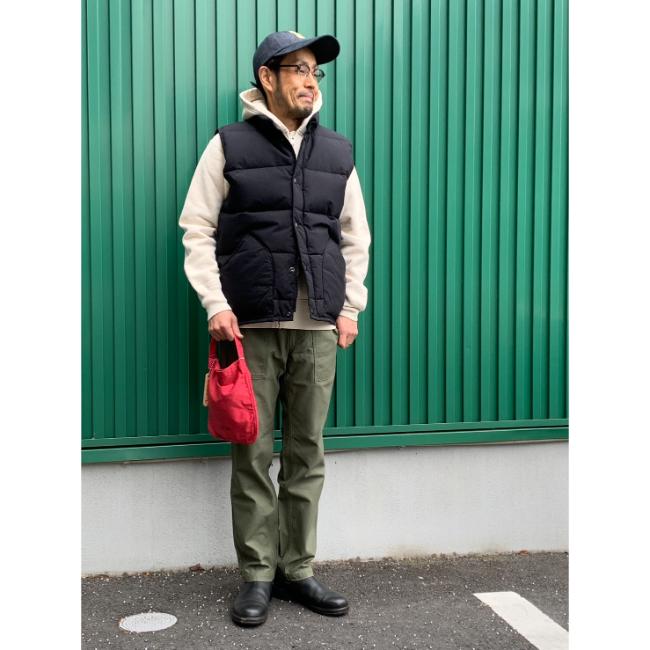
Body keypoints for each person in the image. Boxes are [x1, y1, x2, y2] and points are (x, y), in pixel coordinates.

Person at [179, 30, 371, 627]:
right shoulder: (228, 145)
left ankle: (298, 570)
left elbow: (354, 236)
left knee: (307, 453)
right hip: (250, 328)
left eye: (316, 71)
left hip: (318, 328)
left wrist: (350, 307)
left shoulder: (336, 152)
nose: (311, 80)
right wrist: (214, 303)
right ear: (267, 77)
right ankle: (258, 575)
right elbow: (197, 228)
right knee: (253, 454)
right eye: (299, 69)